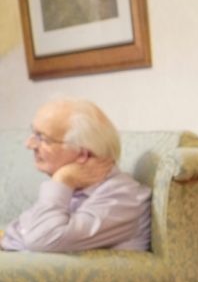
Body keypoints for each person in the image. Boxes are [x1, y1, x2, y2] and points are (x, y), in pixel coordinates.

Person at [0, 98, 151, 252]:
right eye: (34, 133)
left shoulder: (122, 198)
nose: (29, 144)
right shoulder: (75, 189)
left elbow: (41, 240)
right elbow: (14, 233)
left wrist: (62, 179)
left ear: (82, 154)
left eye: (42, 138)